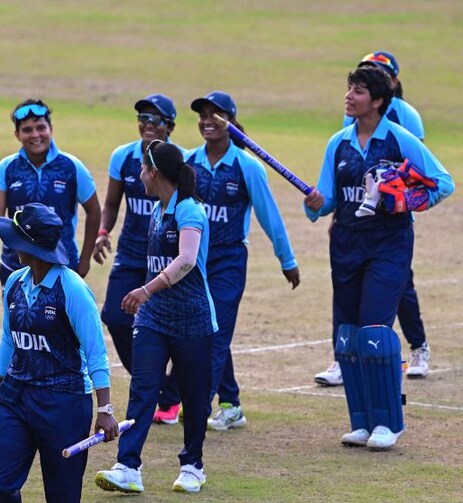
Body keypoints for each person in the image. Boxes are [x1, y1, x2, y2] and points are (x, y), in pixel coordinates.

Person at [303, 65, 453, 450]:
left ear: (378, 101)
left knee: (375, 330)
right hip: (347, 247)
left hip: (389, 246)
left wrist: (405, 200)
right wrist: (316, 204)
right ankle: (363, 421)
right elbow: (326, 201)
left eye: (358, 91)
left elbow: (443, 183)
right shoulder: (338, 142)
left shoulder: (400, 140)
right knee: (350, 335)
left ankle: (389, 422)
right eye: (349, 88)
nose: (349, 96)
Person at [0, 202, 116, 503]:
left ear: (30, 246)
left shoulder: (72, 288)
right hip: (17, 396)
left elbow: (95, 352)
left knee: (62, 495)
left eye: (16, 239)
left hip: (64, 401)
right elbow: (10, 339)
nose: (10, 245)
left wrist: (105, 408)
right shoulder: (15, 282)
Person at [158, 92, 299, 431]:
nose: (207, 121)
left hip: (229, 261)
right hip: (194, 262)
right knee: (206, 329)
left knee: (212, 334)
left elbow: (269, 215)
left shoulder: (247, 167)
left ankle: (197, 406)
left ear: (231, 122)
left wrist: (287, 258)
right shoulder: (188, 161)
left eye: (216, 115)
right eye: (202, 115)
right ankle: (231, 402)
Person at [95, 139, 216, 495]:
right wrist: (148, 298)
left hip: (192, 318)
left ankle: (193, 464)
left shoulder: (189, 210)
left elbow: (187, 259)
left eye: (144, 170)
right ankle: (128, 465)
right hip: (154, 318)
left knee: (194, 398)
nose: (139, 176)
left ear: (156, 173)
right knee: (143, 390)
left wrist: (146, 289)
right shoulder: (157, 210)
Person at [316, 50, 431, 386]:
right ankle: (342, 362)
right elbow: (346, 175)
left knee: (397, 290)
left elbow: (420, 176)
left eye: (364, 83)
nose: (350, 95)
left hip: (388, 231)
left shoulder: (406, 121)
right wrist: (332, 212)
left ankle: (418, 346)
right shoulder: (344, 132)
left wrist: (401, 200)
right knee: (349, 308)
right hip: (352, 231)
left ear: (386, 88)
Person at [93, 93, 184, 424]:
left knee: (177, 329)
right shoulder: (124, 156)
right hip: (132, 252)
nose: (147, 125)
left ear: (170, 127)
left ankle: (172, 391)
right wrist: (102, 233)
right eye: (143, 118)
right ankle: (156, 383)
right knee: (115, 317)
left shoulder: (182, 160)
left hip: (167, 256)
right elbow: (112, 203)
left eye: (156, 120)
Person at [0, 99, 101, 285]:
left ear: (51, 129)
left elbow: (94, 210)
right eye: (27, 130)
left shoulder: (72, 166)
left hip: (60, 265)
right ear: (17, 134)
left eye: (41, 127)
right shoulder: (7, 167)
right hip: (14, 266)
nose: (35, 135)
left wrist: (85, 259)